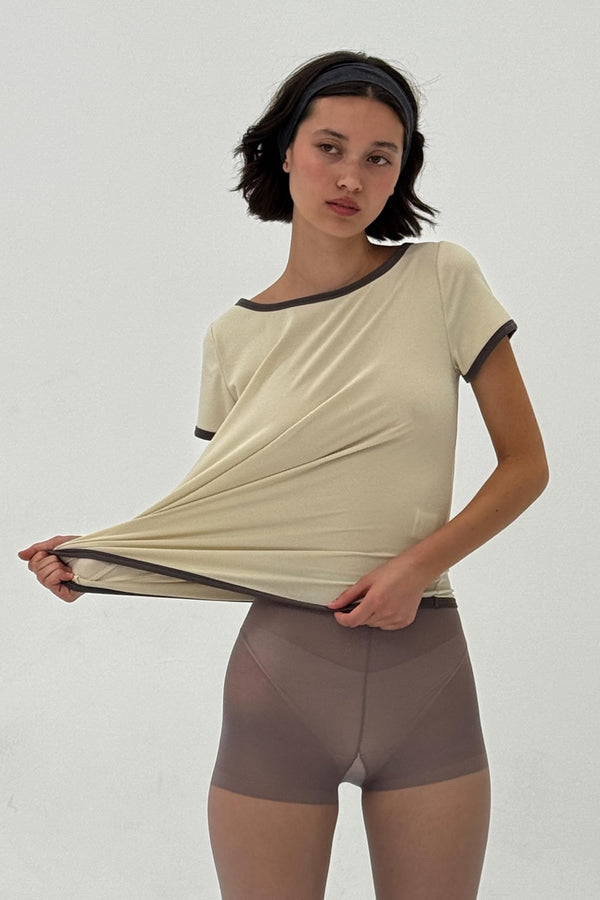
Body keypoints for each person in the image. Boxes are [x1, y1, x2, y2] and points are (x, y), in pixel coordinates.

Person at [19, 50, 548, 899]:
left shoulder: (443, 278)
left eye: (379, 157)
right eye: (330, 147)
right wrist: (105, 562)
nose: (351, 177)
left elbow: (527, 465)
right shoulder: (233, 337)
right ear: (285, 151)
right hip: (280, 686)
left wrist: (414, 569)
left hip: (430, 678)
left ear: (402, 172)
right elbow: (241, 520)